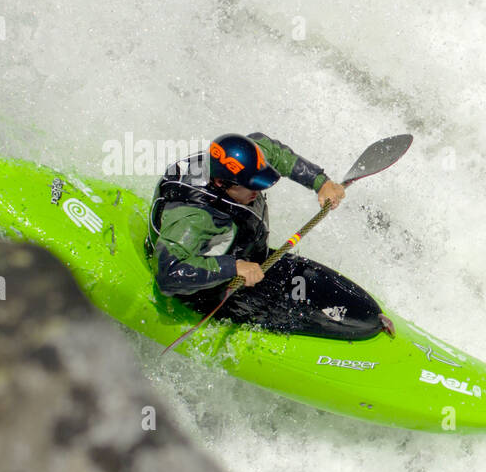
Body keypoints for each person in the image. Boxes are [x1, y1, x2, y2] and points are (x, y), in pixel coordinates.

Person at [147, 132, 394, 339]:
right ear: (223, 184)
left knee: (355, 307)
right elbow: (169, 273)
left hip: (248, 257)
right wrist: (233, 268)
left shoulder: (242, 161)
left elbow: (275, 152)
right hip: (205, 288)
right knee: (292, 316)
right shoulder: (195, 219)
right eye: (253, 186)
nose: (260, 190)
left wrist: (321, 182)